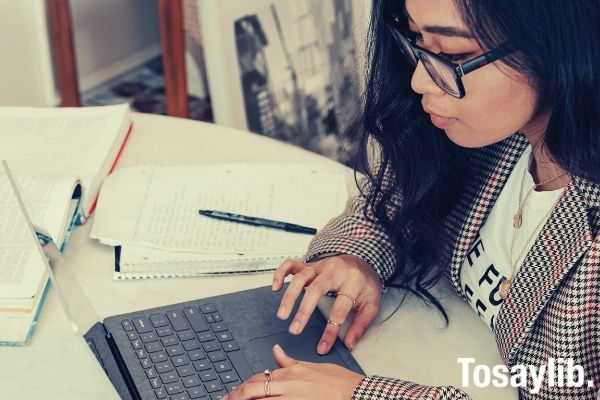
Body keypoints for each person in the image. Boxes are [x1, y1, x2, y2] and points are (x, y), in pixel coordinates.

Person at [224, 0, 600, 399]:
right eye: (417, 40)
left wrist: (366, 396)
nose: (420, 80)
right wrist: (357, 259)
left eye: (452, 54)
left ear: (564, 43)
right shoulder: (499, 133)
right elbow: (401, 195)